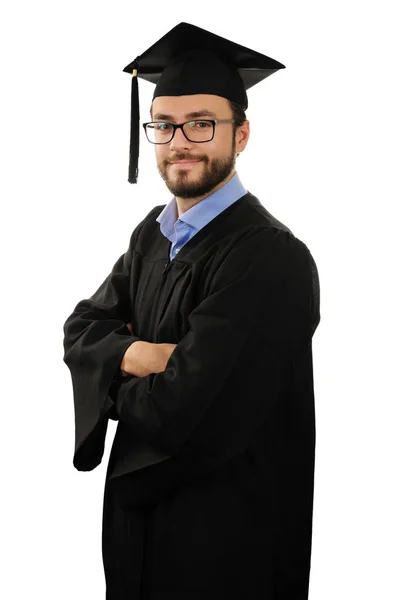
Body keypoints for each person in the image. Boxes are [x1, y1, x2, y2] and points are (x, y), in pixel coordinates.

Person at [63, 21, 321, 600]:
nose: (180, 141)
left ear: (242, 134)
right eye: (165, 124)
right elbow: (79, 330)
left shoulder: (269, 257)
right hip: (136, 541)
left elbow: (187, 411)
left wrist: (114, 371)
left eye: (202, 123)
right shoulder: (149, 238)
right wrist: (143, 354)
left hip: (229, 547)